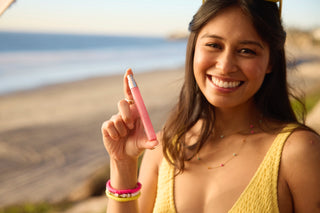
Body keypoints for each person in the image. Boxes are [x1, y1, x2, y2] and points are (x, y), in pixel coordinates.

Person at [101, 0, 320, 212]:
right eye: (214, 45)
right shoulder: (163, 149)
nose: (225, 66)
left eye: (246, 51)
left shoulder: (298, 152)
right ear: (194, 48)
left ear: (271, 61)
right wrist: (123, 163)